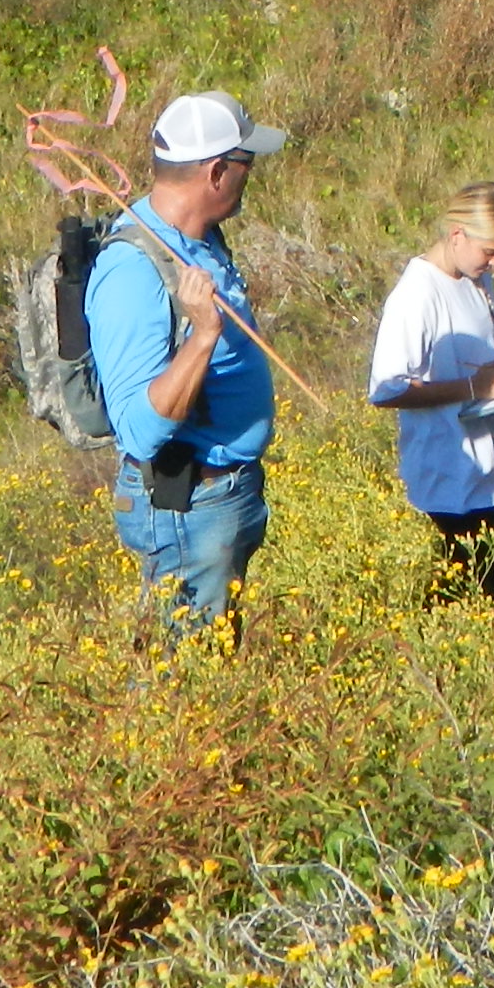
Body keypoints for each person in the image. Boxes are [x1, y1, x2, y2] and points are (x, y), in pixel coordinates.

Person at [84, 90, 288, 638]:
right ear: (218, 172)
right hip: (185, 508)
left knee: (213, 660)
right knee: (180, 677)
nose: (251, 176)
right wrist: (204, 336)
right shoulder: (132, 271)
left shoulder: (200, 241)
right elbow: (139, 431)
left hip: (224, 495)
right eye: (247, 164)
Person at [368, 182, 494, 609]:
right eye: (489, 252)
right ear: (457, 235)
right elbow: (387, 389)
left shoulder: (477, 282)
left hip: (489, 477)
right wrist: (472, 389)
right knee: (460, 604)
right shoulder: (417, 293)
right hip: (447, 484)